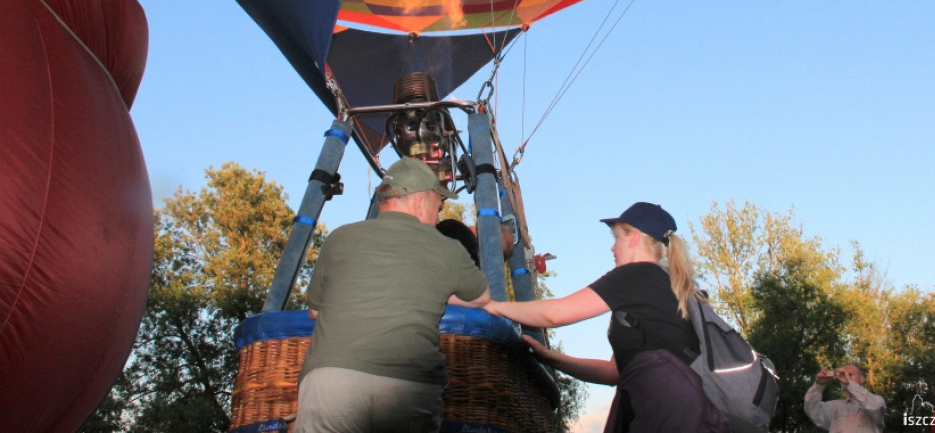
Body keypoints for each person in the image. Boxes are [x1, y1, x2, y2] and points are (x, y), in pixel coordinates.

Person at [484, 201, 728, 433]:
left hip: (668, 414)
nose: (612, 248)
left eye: (616, 238)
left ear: (634, 238)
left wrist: (494, 306)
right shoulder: (665, 288)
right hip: (686, 414)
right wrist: (550, 357)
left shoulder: (637, 275)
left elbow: (555, 314)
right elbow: (613, 372)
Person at [294, 157, 491, 433]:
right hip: (408, 386)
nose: (438, 218)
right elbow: (481, 298)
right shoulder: (447, 248)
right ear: (420, 202)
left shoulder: (339, 237)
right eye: (438, 206)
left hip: (331, 382)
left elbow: (315, 311)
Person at [803, 364, 885, 433]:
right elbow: (812, 410)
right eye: (843, 375)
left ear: (862, 379)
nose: (846, 377)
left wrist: (851, 384)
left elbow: (876, 407)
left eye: (850, 375)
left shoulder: (877, 401)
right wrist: (819, 385)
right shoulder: (835, 407)